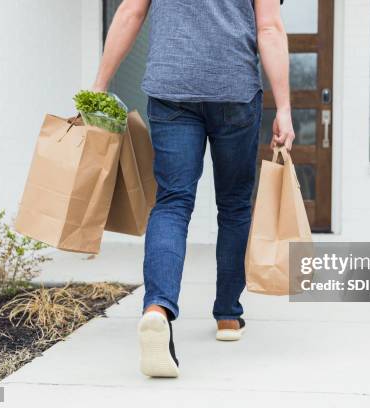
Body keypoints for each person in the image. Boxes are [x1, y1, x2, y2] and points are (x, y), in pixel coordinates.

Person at [92, 0, 294, 378]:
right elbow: (269, 28)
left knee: (171, 202)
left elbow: (129, 13)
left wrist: (100, 86)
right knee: (234, 206)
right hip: (233, 89)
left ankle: (157, 309)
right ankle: (228, 316)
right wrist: (284, 107)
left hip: (172, 88)